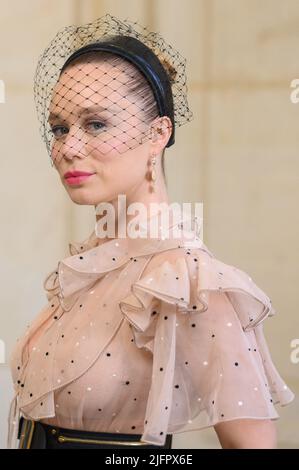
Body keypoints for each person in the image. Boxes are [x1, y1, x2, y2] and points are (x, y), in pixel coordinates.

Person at [7, 14, 294, 449]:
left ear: (158, 132)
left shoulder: (189, 283)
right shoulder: (87, 271)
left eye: (96, 123)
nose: (68, 147)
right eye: (60, 128)